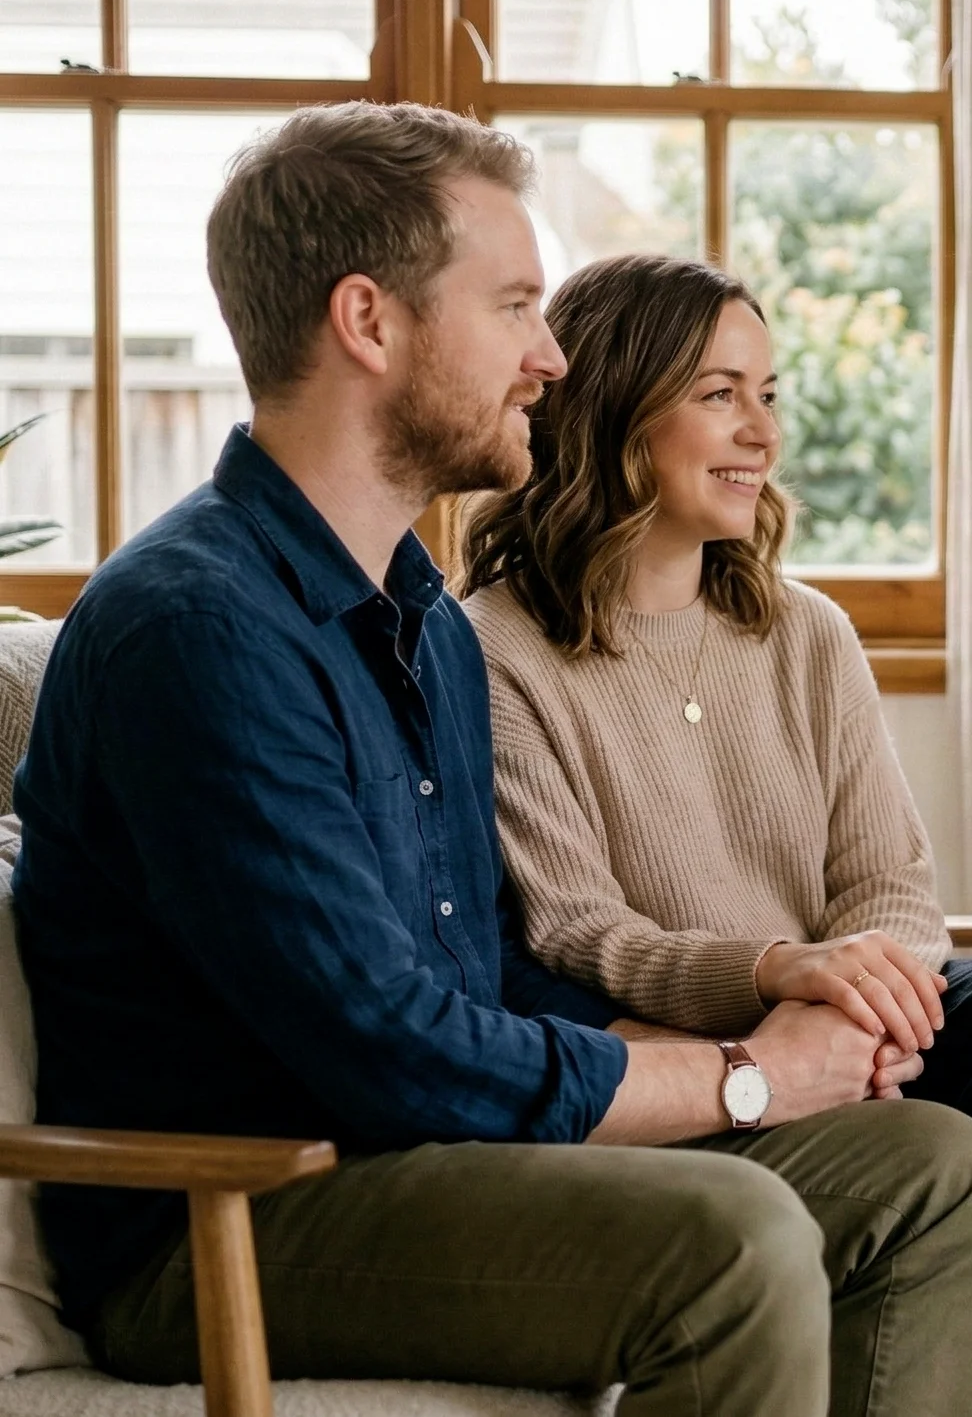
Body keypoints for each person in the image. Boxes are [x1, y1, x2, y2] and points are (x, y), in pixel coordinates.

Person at [12, 108, 972, 1417]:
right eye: (516, 305)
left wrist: (738, 1036)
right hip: (240, 1211)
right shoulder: (198, 628)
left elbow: (496, 970)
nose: (550, 355)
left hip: (426, 1150)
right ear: (371, 321)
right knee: (731, 1247)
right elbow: (388, 1043)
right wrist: (749, 1074)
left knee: (926, 1164)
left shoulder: (415, 624)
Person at [462, 250, 972, 1118]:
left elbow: (889, 883)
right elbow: (580, 931)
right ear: (615, 409)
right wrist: (776, 972)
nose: (764, 434)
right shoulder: (494, 648)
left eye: (768, 394)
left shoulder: (810, 630)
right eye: (720, 394)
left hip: (868, 1025)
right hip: (690, 1052)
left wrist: (863, 1026)